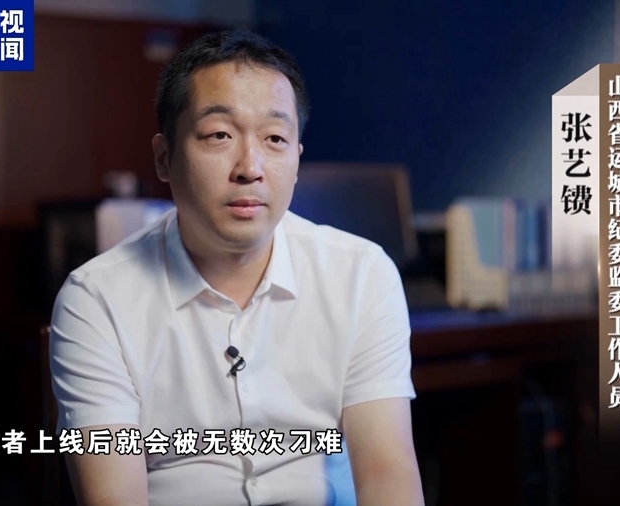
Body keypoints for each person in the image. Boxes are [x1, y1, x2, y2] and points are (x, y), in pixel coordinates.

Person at [49, 29, 424, 506]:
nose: (250, 167)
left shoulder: (361, 275)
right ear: (164, 158)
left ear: (297, 159)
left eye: (275, 138)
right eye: (219, 135)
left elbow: (388, 472)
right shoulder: (95, 300)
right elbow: (114, 498)